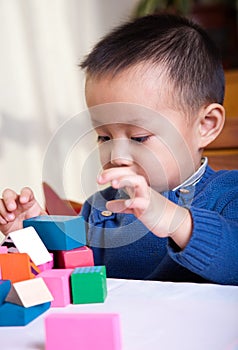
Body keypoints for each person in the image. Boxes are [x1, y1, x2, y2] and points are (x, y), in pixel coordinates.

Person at [0, 14, 237, 285]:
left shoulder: (229, 195)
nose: (116, 156)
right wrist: (28, 236)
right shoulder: (102, 209)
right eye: (104, 137)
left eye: (138, 138)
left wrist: (175, 221)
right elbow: (72, 278)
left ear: (205, 125)